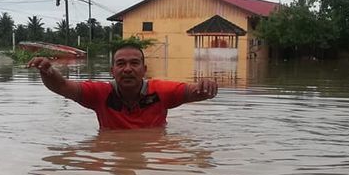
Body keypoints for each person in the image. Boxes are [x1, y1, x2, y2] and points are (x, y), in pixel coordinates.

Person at [27, 44, 218, 130]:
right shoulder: (99, 94)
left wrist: (208, 86)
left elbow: (197, 92)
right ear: (112, 70)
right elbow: (62, 86)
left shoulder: (161, 91)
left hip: (154, 153)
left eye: (134, 63)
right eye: (121, 64)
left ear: (144, 69)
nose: (127, 69)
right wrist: (48, 71)